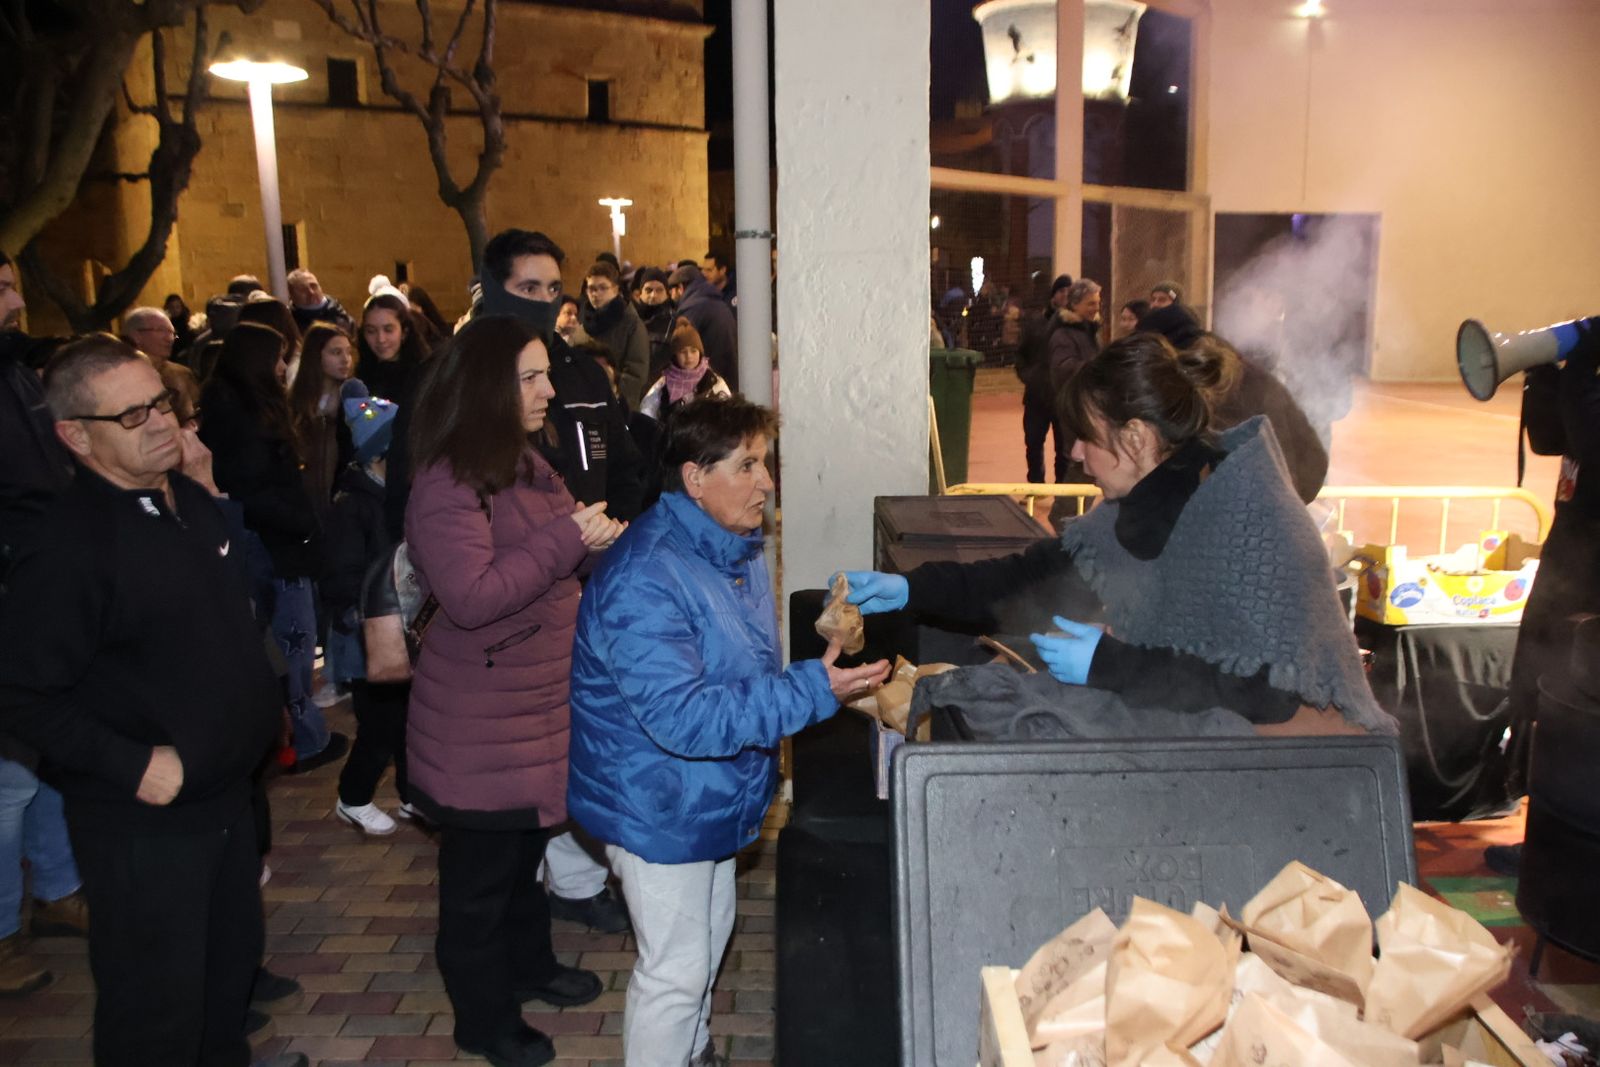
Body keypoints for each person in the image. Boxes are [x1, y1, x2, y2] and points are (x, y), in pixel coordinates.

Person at [842, 333, 1396, 739]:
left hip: (1314, 759)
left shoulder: (1249, 519)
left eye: (1085, 437)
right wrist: (912, 589)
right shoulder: (1151, 501)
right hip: (1234, 735)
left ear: (1134, 437)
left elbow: (1265, 693)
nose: (1075, 453)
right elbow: (1025, 580)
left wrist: (1108, 665)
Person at [0, 335, 304, 1067]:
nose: (162, 421)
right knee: (156, 1009)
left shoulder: (185, 501)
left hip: (225, 798)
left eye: (162, 402)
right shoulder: (67, 543)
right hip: (147, 823)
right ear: (75, 436)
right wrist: (135, 764)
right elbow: (19, 691)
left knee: (225, 978)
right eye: (132, 416)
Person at [568, 396, 889, 1067]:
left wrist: (810, 678)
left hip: (702, 792)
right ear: (694, 477)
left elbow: (733, 667)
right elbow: (684, 716)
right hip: (657, 801)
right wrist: (809, 690)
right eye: (747, 465)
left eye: (764, 463)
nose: (766, 482)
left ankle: (691, 1050)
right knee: (675, 969)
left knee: (711, 933)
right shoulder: (646, 574)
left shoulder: (724, 547)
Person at [405, 314, 620, 1066]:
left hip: (530, 707)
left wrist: (602, 547)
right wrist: (570, 540)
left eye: (544, 373)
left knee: (523, 854)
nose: (549, 389)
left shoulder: (527, 461)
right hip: (480, 723)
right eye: (530, 377)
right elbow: (470, 595)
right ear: (488, 387)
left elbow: (560, 557)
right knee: (478, 886)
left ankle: (530, 968)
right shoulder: (449, 478)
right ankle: (482, 1017)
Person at [474, 228, 646, 934]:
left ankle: (571, 879)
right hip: (508, 602)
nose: (545, 303)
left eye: (554, 290)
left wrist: (622, 531)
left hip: (590, 582)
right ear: (492, 290)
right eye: (527, 290)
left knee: (579, 733)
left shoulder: (577, 371)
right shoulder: (462, 379)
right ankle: (539, 890)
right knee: (523, 756)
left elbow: (624, 457)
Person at [199, 323, 346, 771]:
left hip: (273, 541)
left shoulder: (239, 407)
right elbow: (253, 488)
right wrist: (303, 526)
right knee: (291, 646)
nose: (284, 366)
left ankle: (293, 736)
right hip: (274, 548)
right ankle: (301, 740)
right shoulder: (240, 416)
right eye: (279, 356)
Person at [1485, 319, 1600, 874]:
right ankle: (1545, 841)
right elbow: (1554, 439)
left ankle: (1568, 851)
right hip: (1569, 566)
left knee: (1578, 709)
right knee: (1538, 691)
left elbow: (1592, 441)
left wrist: (1580, 366)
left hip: (1593, 585)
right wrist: (1542, 376)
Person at [324, 393, 413, 836]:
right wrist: (367, 612)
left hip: (397, 629)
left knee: (407, 718)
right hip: (364, 637)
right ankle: (353, 797)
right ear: (380, 455)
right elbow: (342, 578)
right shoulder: (353, 505)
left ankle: (413, 795)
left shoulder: (391, 495)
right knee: (380, 725)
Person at [287, 321, 358, 525]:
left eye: (348, 352)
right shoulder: (297, 403)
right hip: (305, 507)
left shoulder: (352, 401)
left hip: (340, 506)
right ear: (315, 356)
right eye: (336, 353)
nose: (345, 360)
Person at [1014, 274, 1075, 485]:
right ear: (1053, 295)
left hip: (1064, 397)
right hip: (1037, 396)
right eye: (1061, 291)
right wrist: (1029, 377)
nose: (1065, 295)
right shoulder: (1035, 323)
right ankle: (1036, 485)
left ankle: (1061, 490)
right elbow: (1021, 355)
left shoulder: (1075, 325)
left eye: (1069, 291)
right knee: (1033, 443)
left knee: (1064, 448)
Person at [576, 260, 651, 410]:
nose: (596, 294)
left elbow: (636, 374)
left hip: (616, 406)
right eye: (591, 289)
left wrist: (612, 390)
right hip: (585, 403)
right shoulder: (584, 321)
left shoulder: (631, 324)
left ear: (616, 289)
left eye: (603, 288)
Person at [668, 264, 738, 392]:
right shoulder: (715, 302)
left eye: (672, 290)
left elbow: (683, 347)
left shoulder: (692, 309)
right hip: (728, 378)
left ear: (681, 288)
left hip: (709, 384)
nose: (671, 295)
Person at [633, 267, 676, 379]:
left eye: (659, 290)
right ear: (640, 294)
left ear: (667, 294)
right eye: (648, 290)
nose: (653, 295)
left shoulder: (674, 323)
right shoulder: (630, 321)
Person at [286, 268, 356, 335]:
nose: (311, 292)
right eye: (302, 289)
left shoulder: (342, 318)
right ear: (291, 295)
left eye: (313, 286)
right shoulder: (289, 324)